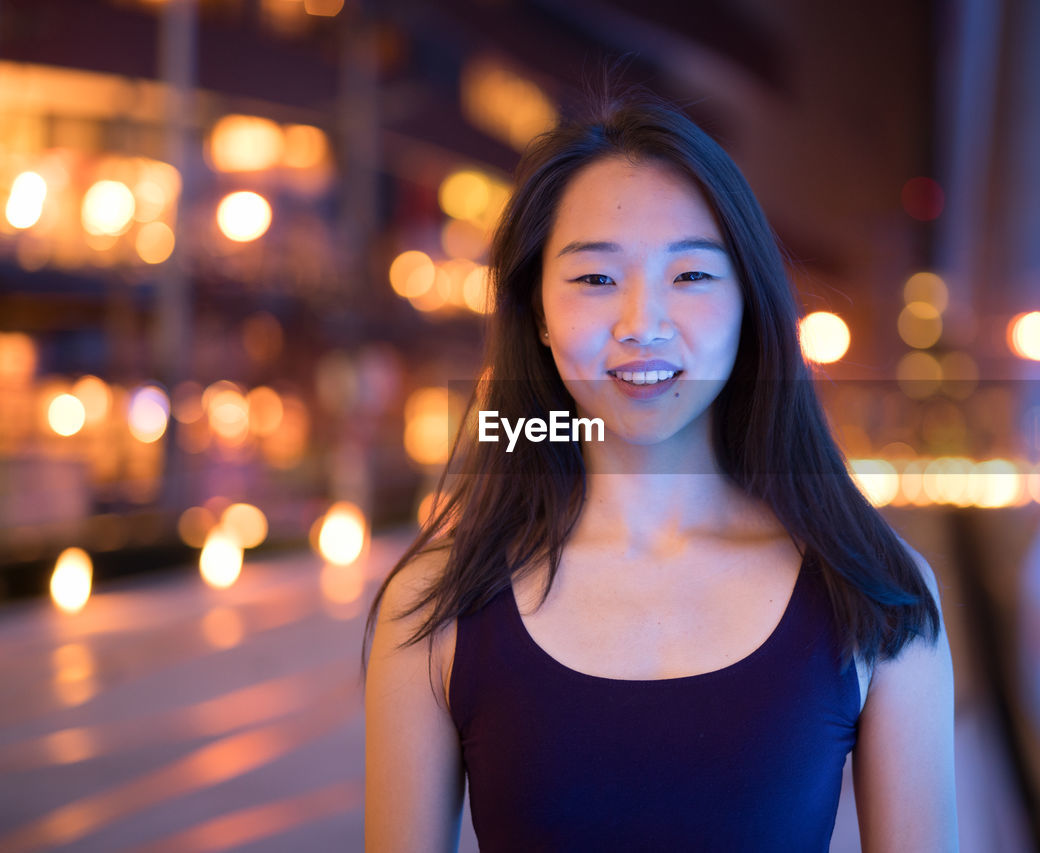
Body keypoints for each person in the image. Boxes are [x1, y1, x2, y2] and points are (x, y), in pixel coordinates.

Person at [363, 91, 958, 852]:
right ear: (537, 313)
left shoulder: (875, 596)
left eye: (691, 277)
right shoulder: (434, 609)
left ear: (749, 303)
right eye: (595, 280)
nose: (641, 324)